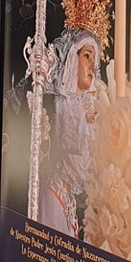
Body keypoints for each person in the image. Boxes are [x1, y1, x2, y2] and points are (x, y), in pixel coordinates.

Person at [40, 28, 101, 238]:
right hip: (59, 193)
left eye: (95, 58)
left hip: (82, 200)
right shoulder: (61, 104)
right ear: (73, 59)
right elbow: (72, 148)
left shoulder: (93, 105)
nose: (93, 65)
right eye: (86, 56)